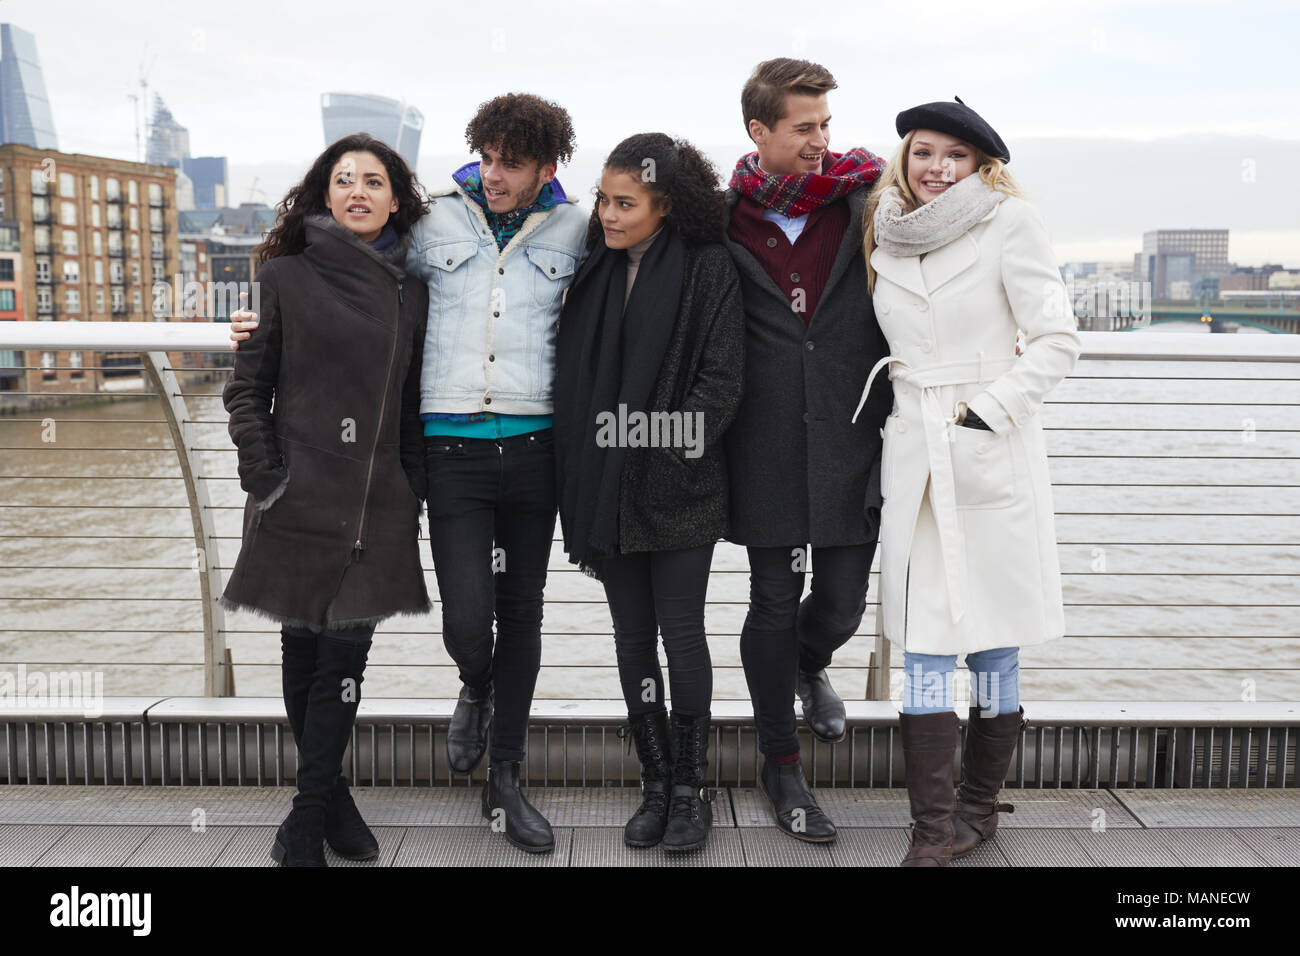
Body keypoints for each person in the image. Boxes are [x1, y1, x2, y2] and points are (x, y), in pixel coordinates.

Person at [855, 97, 1081, 866]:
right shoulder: (883, 233)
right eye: (923, 153)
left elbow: (1056, 339)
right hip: (913, 454)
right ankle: (932, 828)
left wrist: (987, 413)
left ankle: (977, 809)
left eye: (954, 155)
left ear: (981, 166)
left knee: (991, 649)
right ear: (904, 160)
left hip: (985, 451)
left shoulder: (1009, 225)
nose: (936, 168)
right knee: (921, 645)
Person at [221, 133, 431, 866]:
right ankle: (325, 804)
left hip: (376, 505)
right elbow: (247, 389)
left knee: (344, 661)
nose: (358, 192)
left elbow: (408, 406)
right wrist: (267, 480)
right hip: (294, 497)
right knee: (304, 652)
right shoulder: (285, 278)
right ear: (326, 193)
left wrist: (414, 487)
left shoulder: (414, 289)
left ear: (395, 198)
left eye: (374, 181)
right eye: (344, 180)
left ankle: (305, 818)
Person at [554, 133, 744, 851]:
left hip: (679, 485)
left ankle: (692, 789)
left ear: (665, 205)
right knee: (631, 639)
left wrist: (650, 442)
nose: (606, 213)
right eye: (603, 198)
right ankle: (656, 781)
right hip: (604, 488)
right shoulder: (593, 267)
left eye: (625, 202)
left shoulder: (709, 269)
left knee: (683, 636)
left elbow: (722, 383)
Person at [722, 58, 894, 843]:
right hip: (759, 445)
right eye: (804, 128)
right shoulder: (722, 220)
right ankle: (780, 764)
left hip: (850, 436)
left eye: (826, 124)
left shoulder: (866, 201)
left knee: (844, 602)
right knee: (769, 600)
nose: (822, 140)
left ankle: (808, 663)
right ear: (759, 133)